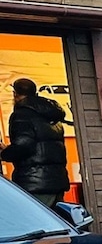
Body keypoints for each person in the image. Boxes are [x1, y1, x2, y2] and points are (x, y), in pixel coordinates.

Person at [2, 78, 70, 206]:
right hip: (57, 181)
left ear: (15, 94)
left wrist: (4, 154)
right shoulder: (51, 114)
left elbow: (24, 145)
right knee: (55, 222)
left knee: (36, 223)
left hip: (35, 183)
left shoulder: (22, 114)